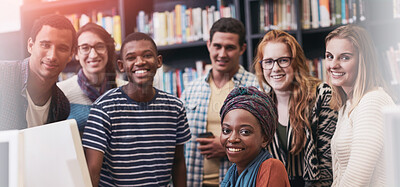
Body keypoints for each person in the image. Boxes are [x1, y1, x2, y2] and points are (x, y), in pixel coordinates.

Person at [81, 32, 191, 187]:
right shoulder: (103, 108)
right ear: (121, 66)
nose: (140, 62)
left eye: (147, 55)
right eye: (131, 57)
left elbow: (178, 162)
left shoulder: (175, 107)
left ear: (158, 61)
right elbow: (92, 172)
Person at [181, 17, 264, 186]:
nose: (222, 54)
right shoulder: (191, 89)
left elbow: (267, 140)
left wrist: (227, 146)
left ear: (242, 49)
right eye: (217, 46)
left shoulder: (256, 88)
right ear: (209, 45)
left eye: (230, 48)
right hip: (194, 182)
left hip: (238, 182)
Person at [253, 30, 337, 186]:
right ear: (261, 66)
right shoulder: (261, 105)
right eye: (268, 61)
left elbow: (328, 165)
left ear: (296, 62)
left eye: (283, 60)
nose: (276, 68)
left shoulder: (321, 95)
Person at [325, 24, 395, 186]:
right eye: (329, 56)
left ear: (363, 61)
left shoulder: (372, 101)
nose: (333, 65)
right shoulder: (348, 103)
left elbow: (357, 179)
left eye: (344, 57)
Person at [0, 14, 76, 130]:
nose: (52, 56)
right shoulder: (3, 75)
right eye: (45, 45)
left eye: (62, 48)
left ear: (71, 54)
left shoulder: (62, 105)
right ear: (31, 45)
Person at [58, 23, 126, 133]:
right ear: (76, 53)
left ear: (108, 50)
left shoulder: (126, 89)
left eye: (99, 46)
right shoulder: (60, 93)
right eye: (85, 48)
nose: (93, 55)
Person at [219, 86, 290, 187]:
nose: (232, 138)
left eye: (245, 132)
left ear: (264, 138)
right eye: (226, 130)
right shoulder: (233, 173)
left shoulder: (271, 167)